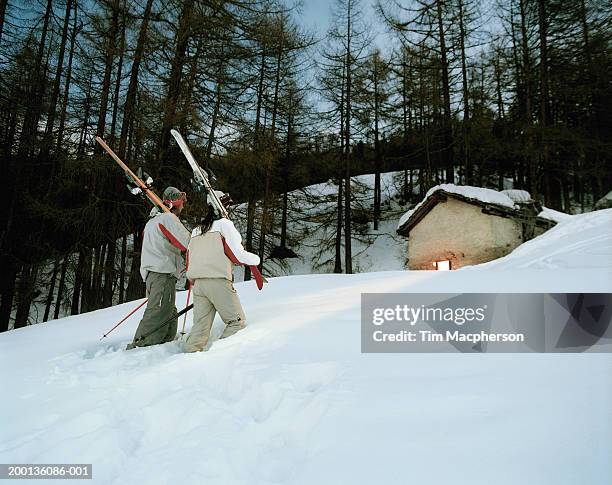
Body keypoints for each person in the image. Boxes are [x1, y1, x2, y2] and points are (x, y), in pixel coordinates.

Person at [184, 191, 259, 353]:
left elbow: (189, 258)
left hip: (199, 285)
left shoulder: (197, 230)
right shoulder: (224, 225)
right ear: (222, 206)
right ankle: (219, 356)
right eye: (228, 205)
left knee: (199, 328)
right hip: (218, 282)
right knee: (236, 322)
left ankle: (188, 357)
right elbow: (238, 254)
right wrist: (256, 260)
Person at [127, 186, 191, 349]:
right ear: (176, 203)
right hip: (161, 272)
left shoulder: (152, 222)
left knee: (167, 309)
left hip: (155, 273)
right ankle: (141, 344)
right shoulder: (167, 219)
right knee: (159, 310)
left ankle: (164, 343)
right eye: (182, 203)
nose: (183, 206)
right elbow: (186, 242)